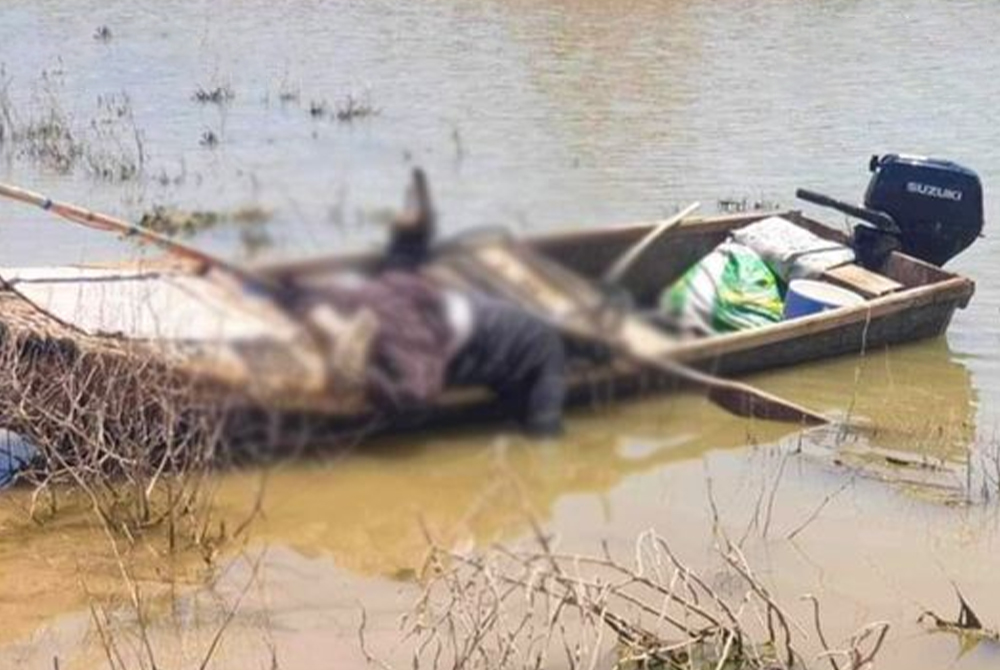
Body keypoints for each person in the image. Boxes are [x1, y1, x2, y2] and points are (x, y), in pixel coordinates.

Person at [296, 169, 567, 436]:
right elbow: (544, 427)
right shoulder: (548, 353)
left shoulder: (533, 338)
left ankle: (328, 317)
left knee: (385, 283)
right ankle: (361, 369)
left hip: (411, 298)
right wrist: (547, 434)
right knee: (415, 391)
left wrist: (412, 233)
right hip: (452, 332)